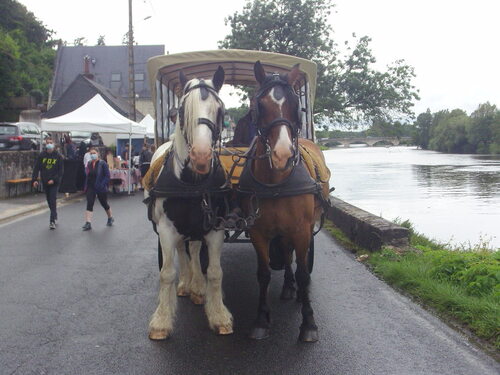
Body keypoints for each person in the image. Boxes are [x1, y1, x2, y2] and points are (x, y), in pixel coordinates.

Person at [32, 137, 64, 230]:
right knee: (49, 201)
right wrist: (34, 180)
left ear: (54, 144)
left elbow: (61, 171)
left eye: (51, 142)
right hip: (45, 181)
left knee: (52, 199)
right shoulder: (42, 155)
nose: (49, 144)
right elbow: (36, 168)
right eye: (47, 143)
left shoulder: (58, 156)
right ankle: (54, 214)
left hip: (54, 182)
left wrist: (54, 180)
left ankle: (52, 221)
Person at [82, 147, 114, 231]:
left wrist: (102, 184)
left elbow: (107, 176)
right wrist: (86, 186)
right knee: (90, 203)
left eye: (94, 153)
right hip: (91, 186)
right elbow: (87, 176)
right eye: (91, 153)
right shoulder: (89, 164)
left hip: (100, 187)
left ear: (97, 153)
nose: (92, 155)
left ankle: (110, 217)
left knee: (104, 203)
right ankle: (88, 223)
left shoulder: (102, 164)